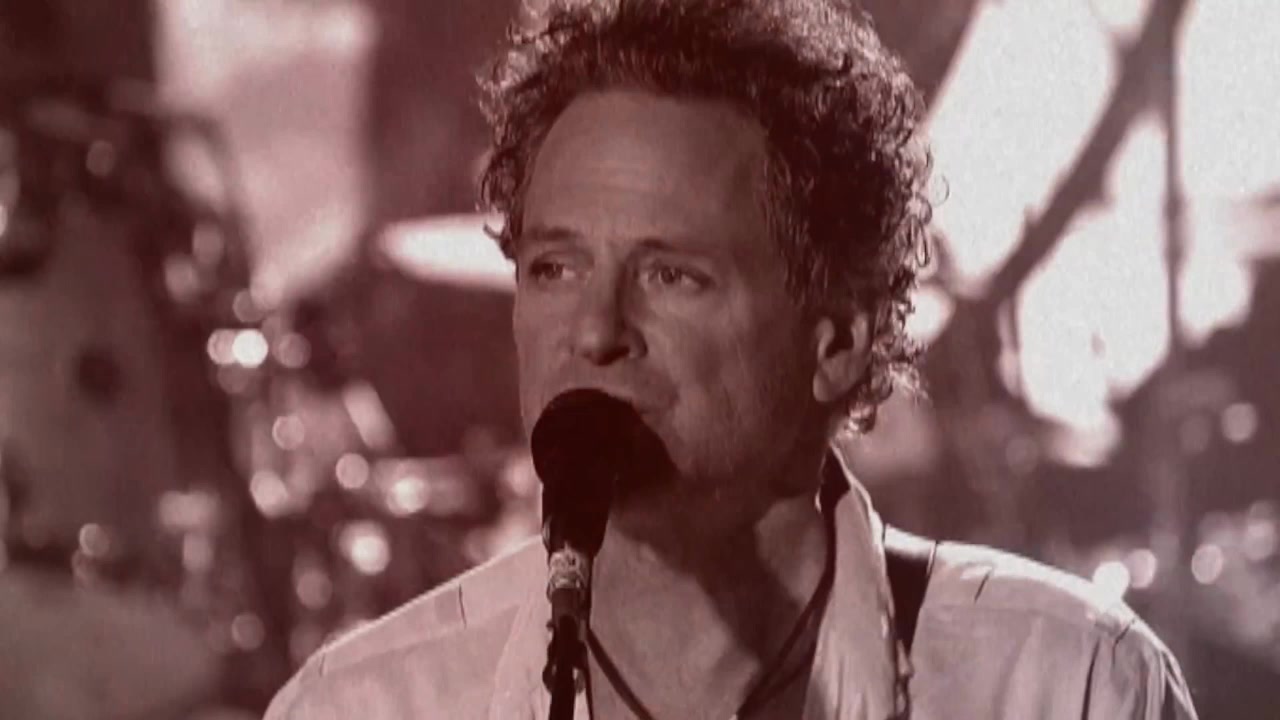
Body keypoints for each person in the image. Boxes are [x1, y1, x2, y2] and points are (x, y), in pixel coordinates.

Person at [265, 1, 1198, 717]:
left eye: (671, 276)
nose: (594, 331)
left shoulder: (1066, 684)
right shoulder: (365, 706)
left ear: (838, 343)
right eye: (554, 268)